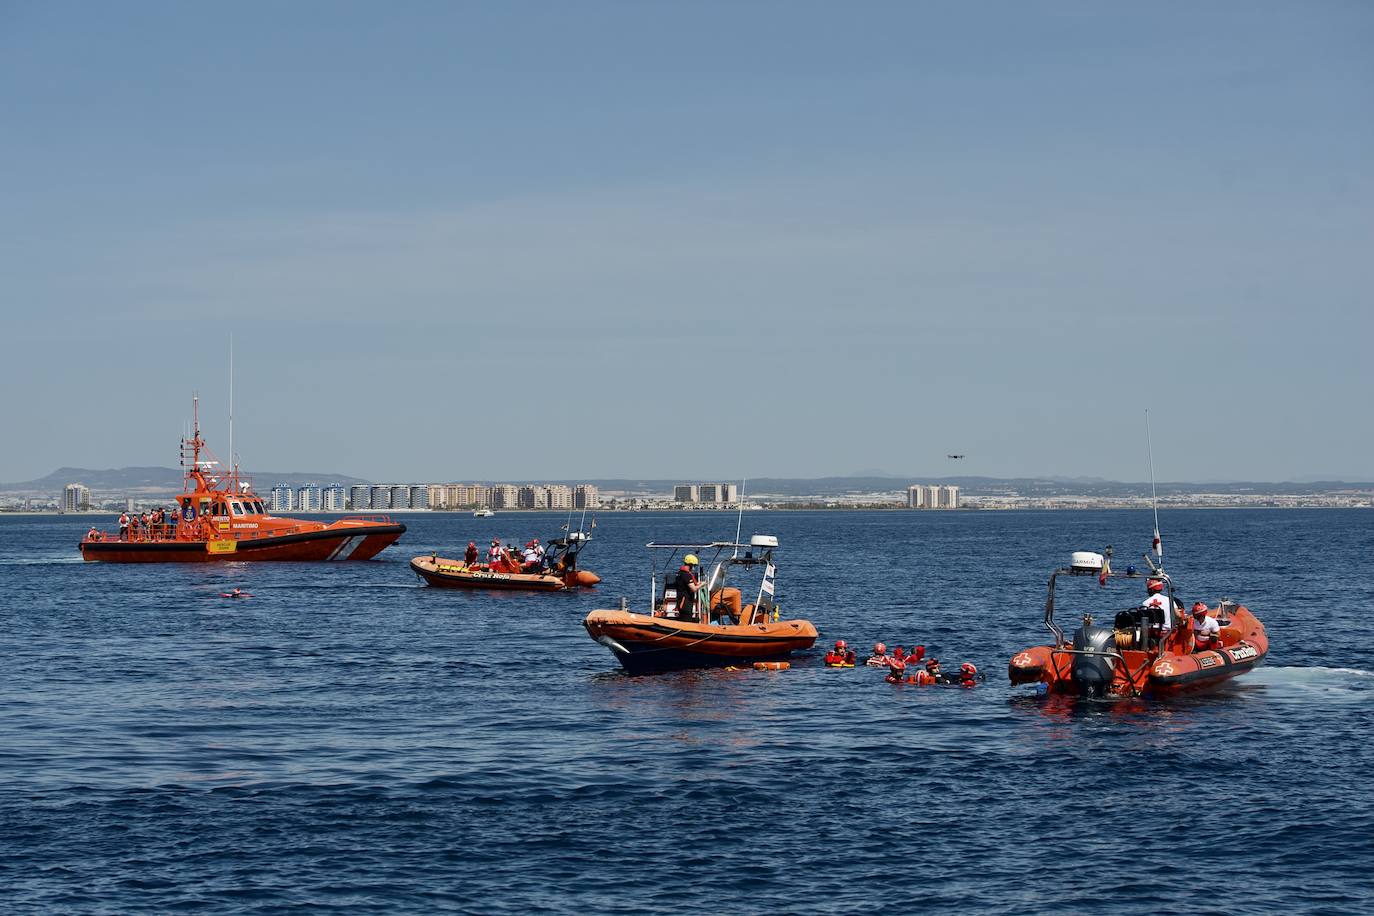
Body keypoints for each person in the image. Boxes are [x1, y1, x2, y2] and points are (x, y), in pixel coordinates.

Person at [673, 554, 702, 620]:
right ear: (691, 565)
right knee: (687, 619)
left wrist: (697, 584)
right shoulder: (686, 575)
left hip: (681, 601)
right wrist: (702, 585)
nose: (694, 567)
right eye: (694, 565)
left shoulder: (680, 573)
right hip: (685, 602)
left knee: (683, 618)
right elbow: (693, 589)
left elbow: (686, 584)